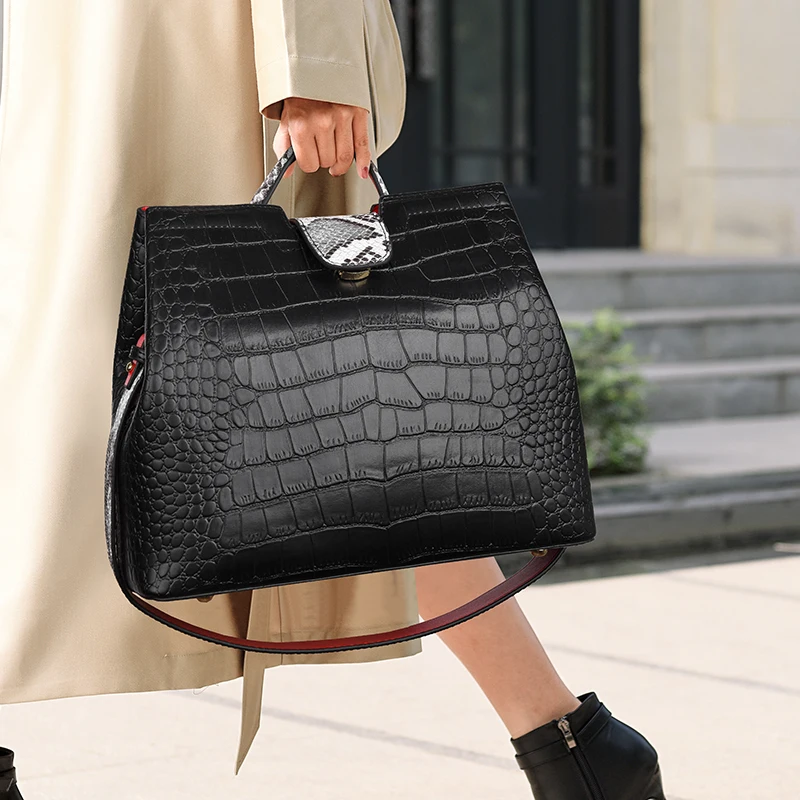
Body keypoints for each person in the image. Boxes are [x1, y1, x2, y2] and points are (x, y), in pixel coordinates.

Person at [0, 1, 665, 796]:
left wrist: (310, 63)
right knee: (299, 434)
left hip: (192, 53)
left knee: (284, 413)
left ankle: (570, 742)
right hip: (76, 58)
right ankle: (575, 748)